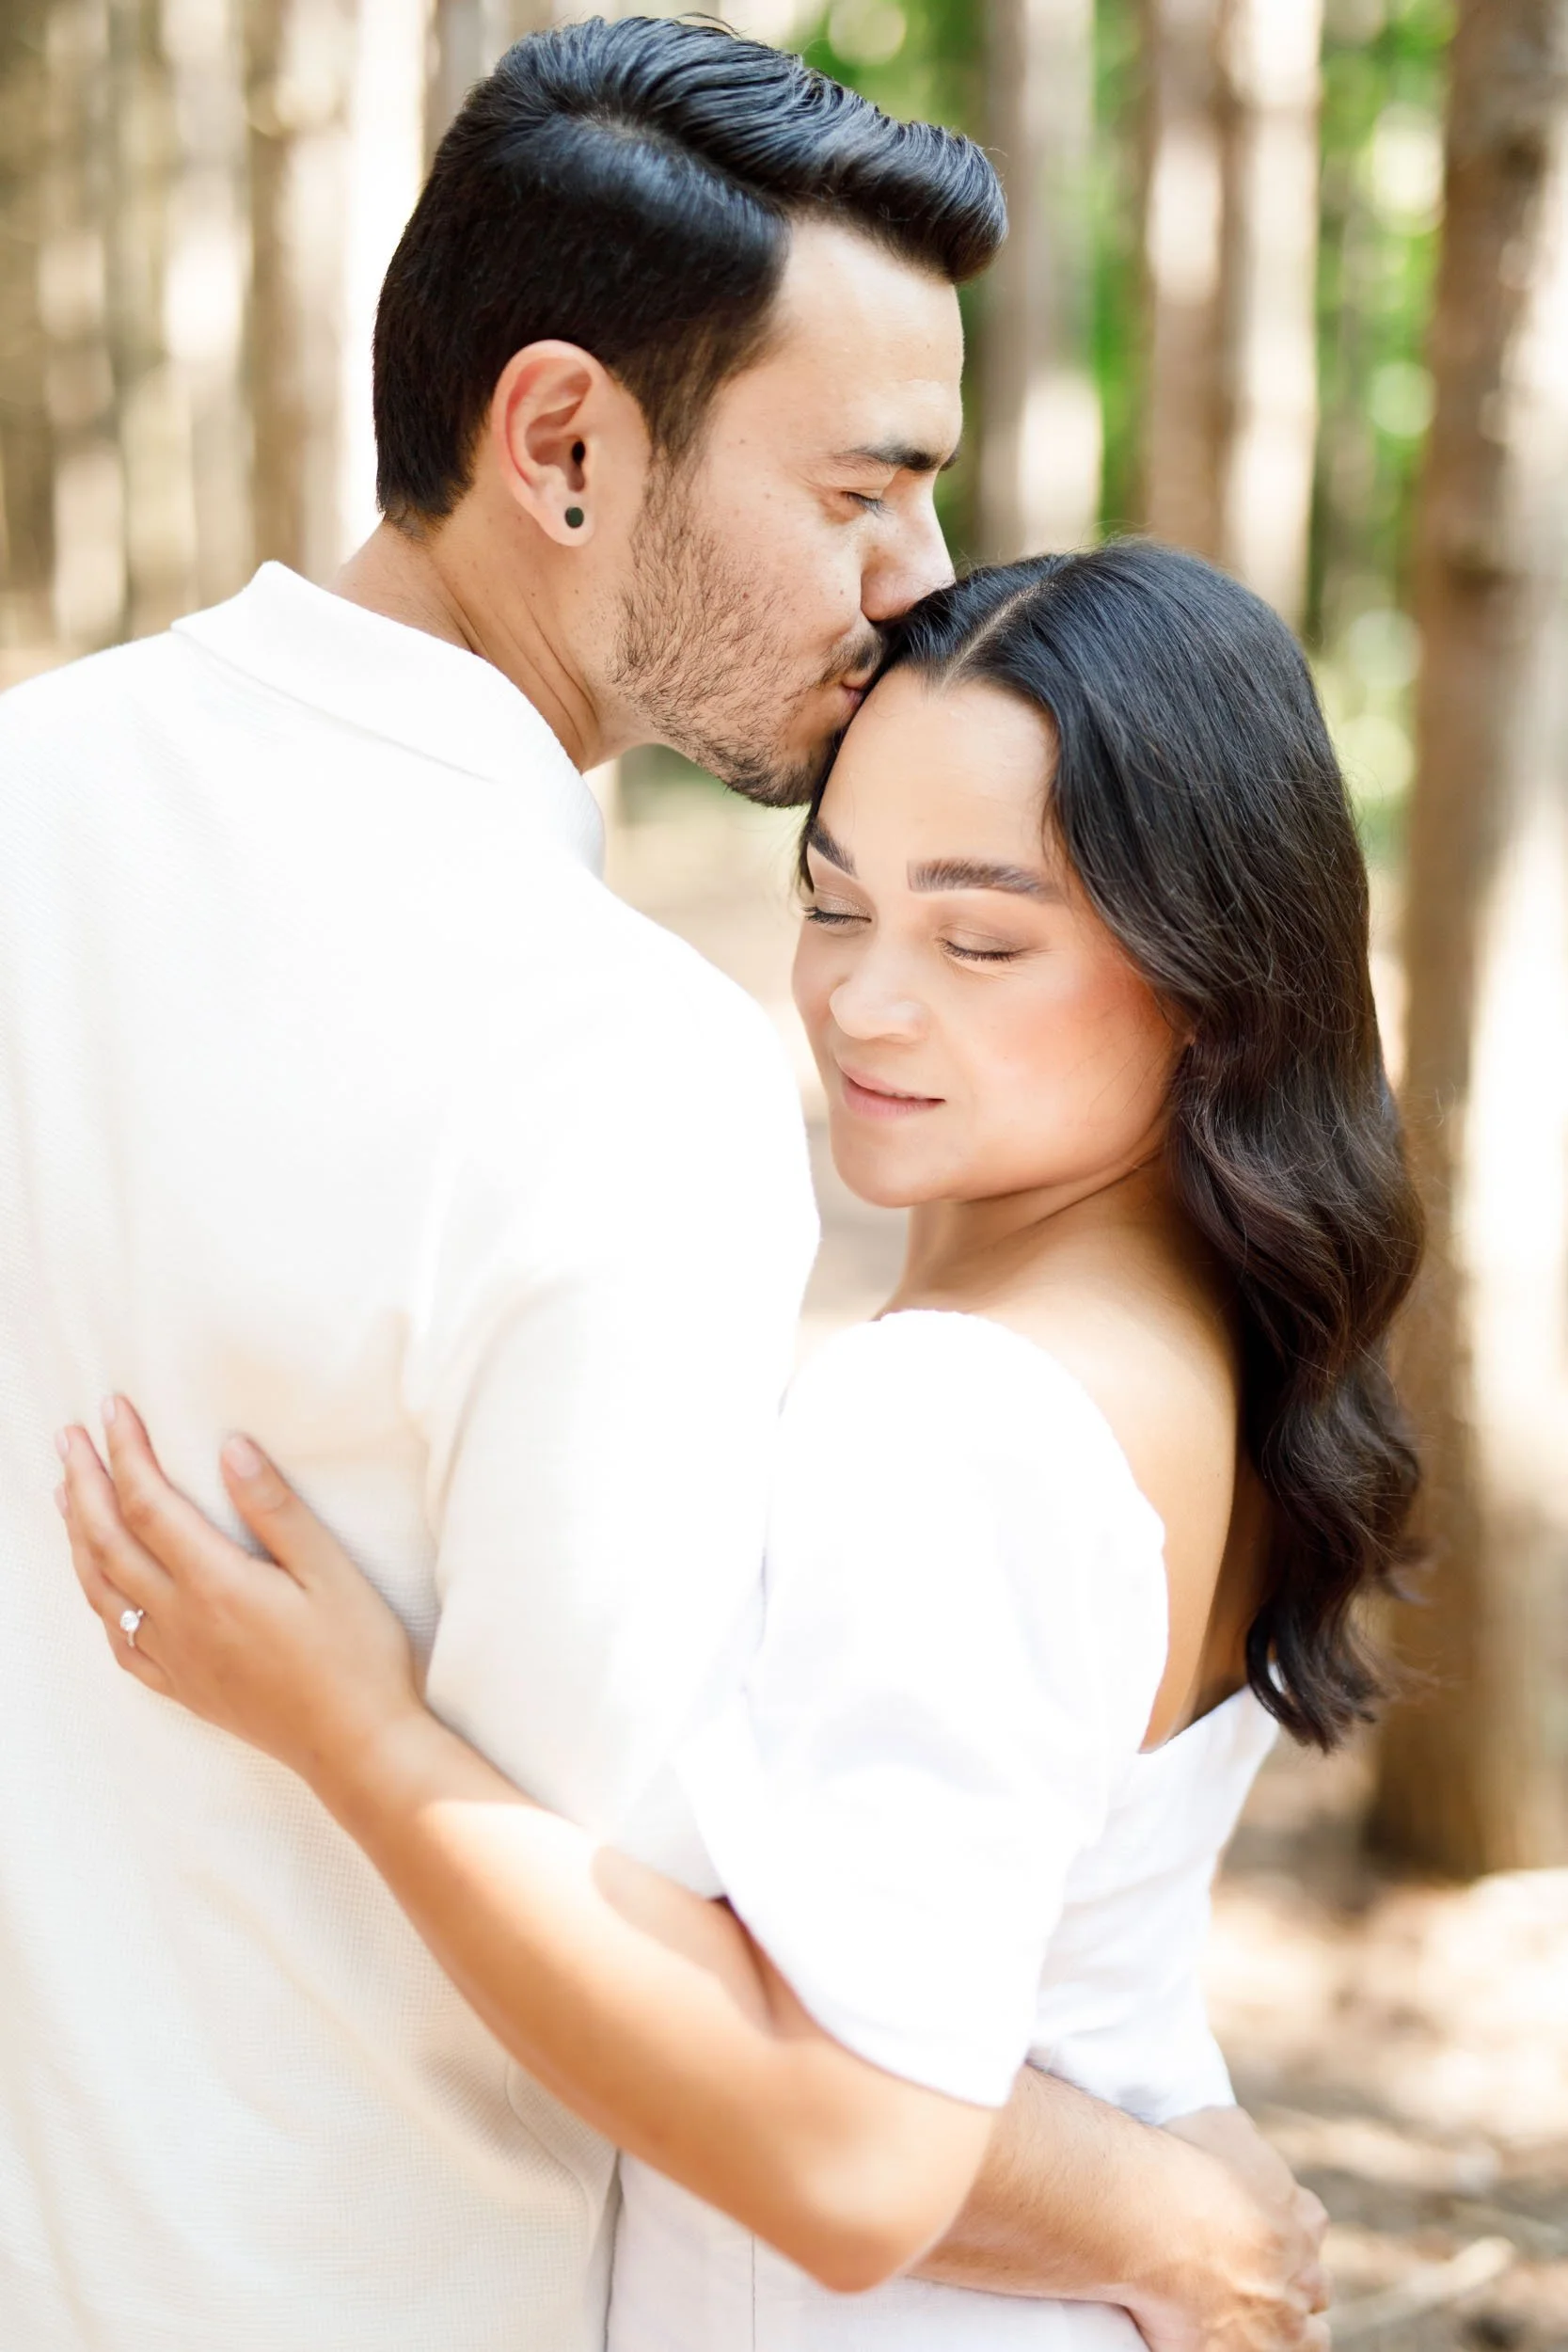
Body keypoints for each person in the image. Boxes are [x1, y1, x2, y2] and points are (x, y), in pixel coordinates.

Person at [1, 20, 1324, 2352]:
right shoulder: (617, 1074)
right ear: (564, 444)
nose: (919, 571)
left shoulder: (28, 792)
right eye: (859, 488)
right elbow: (717, 1994)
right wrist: (1141, 2202)